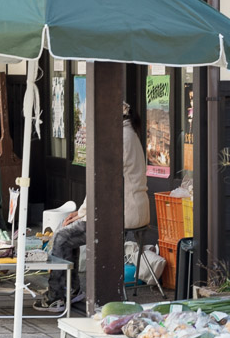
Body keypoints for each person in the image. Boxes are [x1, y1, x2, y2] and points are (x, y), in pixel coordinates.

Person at [35, 102, 150, 311]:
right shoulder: (129, 135)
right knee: (69, 235)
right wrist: (81, 213)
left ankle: (58, 295)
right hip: (131, 209)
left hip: (120, 214)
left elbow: (101, 185)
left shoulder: (120, 140)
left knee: (62, 236)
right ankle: (71, 291)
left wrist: (82, 214)